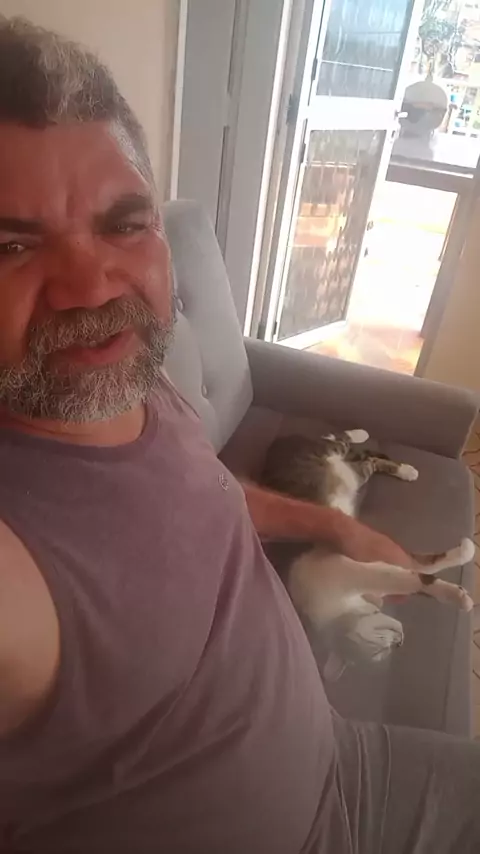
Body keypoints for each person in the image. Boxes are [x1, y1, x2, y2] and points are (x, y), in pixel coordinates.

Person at [0, 15, 478, 854]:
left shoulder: (130, 382)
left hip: (352, 765)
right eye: (9, 245)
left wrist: (336, 526)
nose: (92, 286)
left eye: (124, 224)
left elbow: (204, 495)